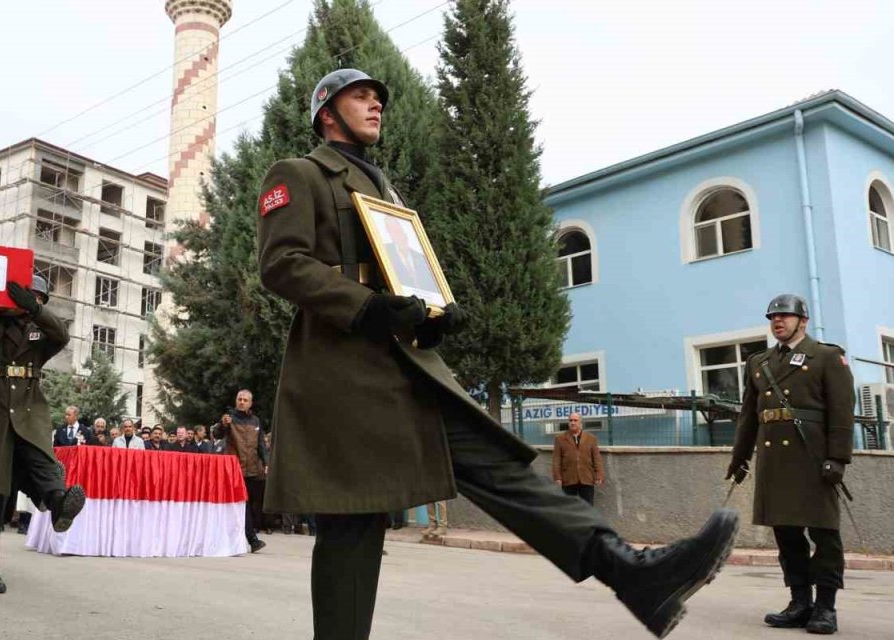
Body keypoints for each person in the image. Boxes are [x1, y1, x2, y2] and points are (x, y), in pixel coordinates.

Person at [256, 69, 739, 639]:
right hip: (344, 376)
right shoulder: (301, 174)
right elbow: (283, 264)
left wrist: (433, 314)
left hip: (406, 368)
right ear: (326, 112)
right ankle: (633, 575)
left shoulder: (387, 190)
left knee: (498, 463)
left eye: (379, 98)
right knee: (351, 526)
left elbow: (401, 273)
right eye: (360, 96)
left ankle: (631, 573)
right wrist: (369, 308)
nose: (375, 105)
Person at [726, 294, 855, 635]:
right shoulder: (759, 362)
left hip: (813, 459)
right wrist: (740, 458)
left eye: (784, 316)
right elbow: (748, 417)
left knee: (825, 536)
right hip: (775, 461)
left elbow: (842, 413)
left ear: (803, 321)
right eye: (773, 317)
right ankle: (800, 602)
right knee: (787, 536)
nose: (777, 322)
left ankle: (826, 608)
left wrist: (838, 458)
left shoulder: (827, 356)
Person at [0, 276, 86, 594]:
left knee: (43, 460)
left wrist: (33, 309)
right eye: (29, 298)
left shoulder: (38, 328)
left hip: (29, 406)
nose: (33, 303)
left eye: (38, 299)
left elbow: (60, 334)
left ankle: (58, 503)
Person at [215, 390, 268, 553]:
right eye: (239, 399)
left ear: (250, 403)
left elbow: (260, 445)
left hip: (252, 469)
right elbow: (217, 434)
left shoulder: (255, 421)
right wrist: (222, 424)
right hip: (234, 469)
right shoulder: (229, 419)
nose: (242, 402)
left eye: (245, 400)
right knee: (242, 504)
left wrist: (266, 462)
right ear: (236, 400)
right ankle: (252, 539)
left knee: (249, 506)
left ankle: (244, 538)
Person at [551, 413, 604, 505]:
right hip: (568, 478)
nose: (572, 423)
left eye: (575, 420)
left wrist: (599, 474)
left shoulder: (591, 438)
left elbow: (596, 458)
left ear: (580, 423)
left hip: (586, 478)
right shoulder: (560, 439)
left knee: (587, 507)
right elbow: (556, 459)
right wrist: (557, 477)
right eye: (570, 420)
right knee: (569, 507)